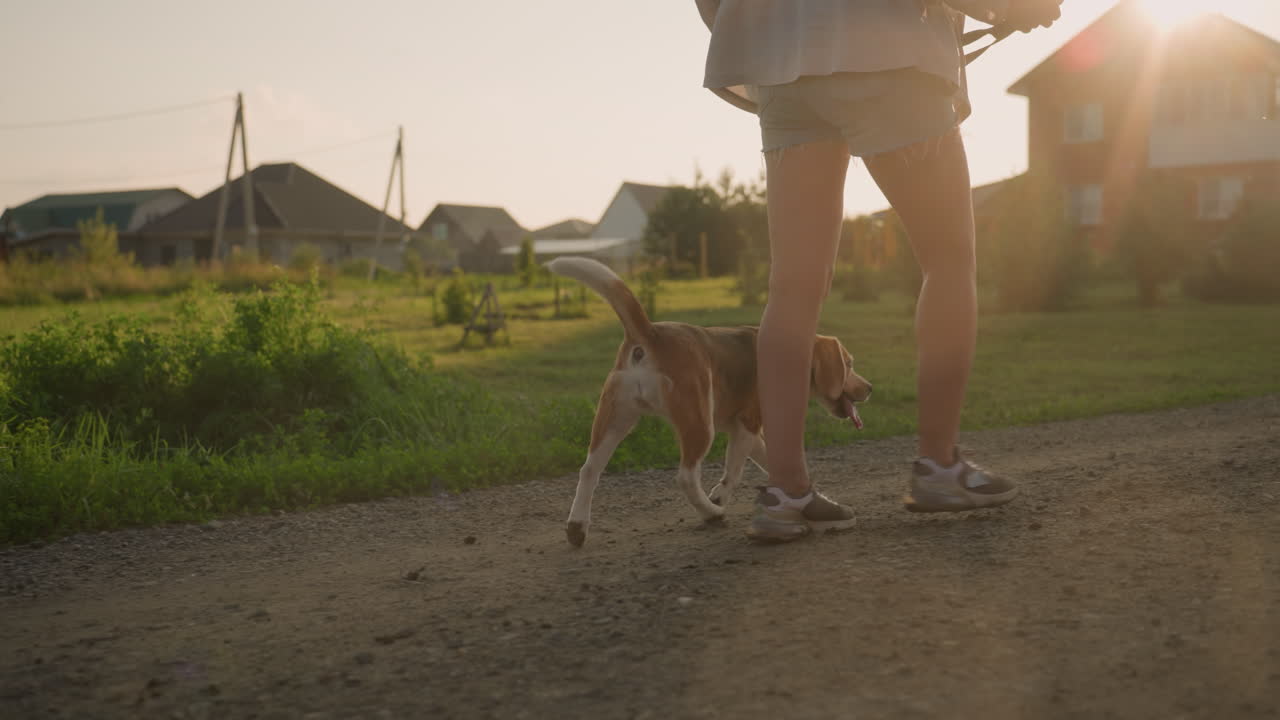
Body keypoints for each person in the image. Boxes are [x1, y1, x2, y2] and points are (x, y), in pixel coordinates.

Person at [694, 0, 1064, 541]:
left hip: (781, 69)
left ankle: (785, 494)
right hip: (886, 54)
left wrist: (768, 29)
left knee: (793, 287)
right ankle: (939, 466)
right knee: (947, 259)